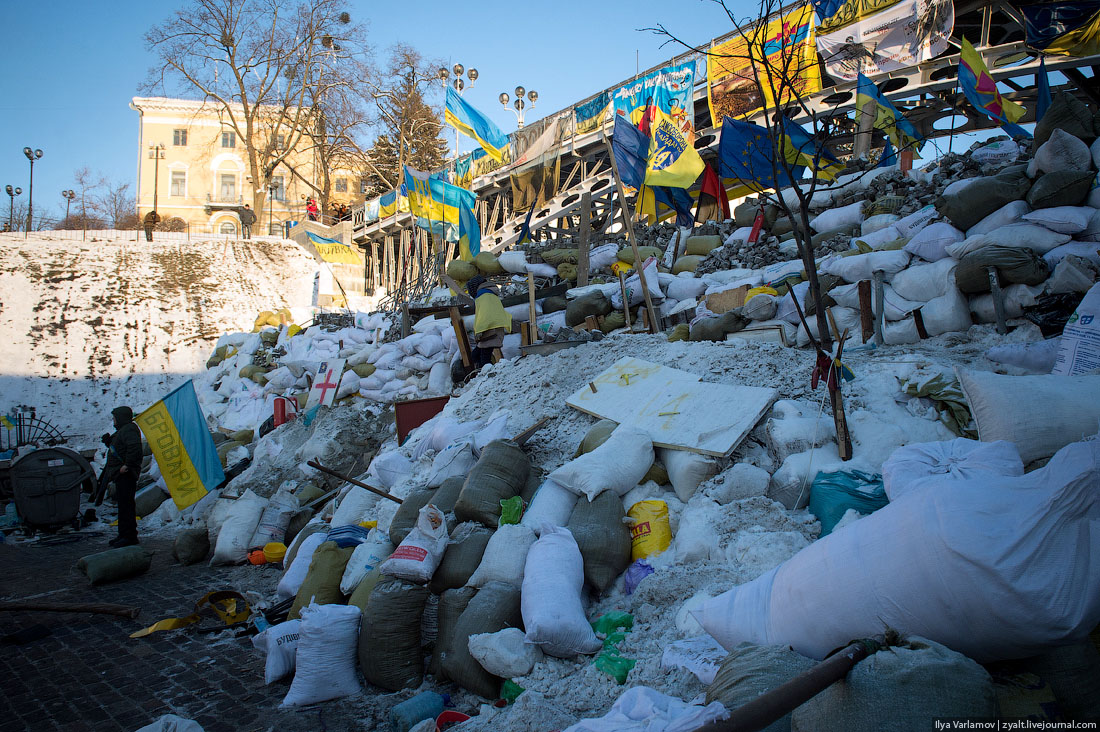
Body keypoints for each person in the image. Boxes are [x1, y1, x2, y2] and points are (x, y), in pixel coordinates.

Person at [104, 406, 143, 547]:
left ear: (121, 417)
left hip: (126, 474)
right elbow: (121, 446)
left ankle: (129, 536)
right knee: (123, 506)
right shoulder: (124, 430)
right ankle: (123, 534)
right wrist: (109, 442)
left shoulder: (129, 429)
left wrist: (127, 465)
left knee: (126, 506)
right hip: (121, 475)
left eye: (115, 418)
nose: (113, 421)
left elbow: (135, 448)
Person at [467, 275, 511, 369]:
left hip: (489, 330)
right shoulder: (489, 294)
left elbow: (484, 315)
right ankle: (484, 374)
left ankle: (489, 377)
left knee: (484, 360)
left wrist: (479, 331)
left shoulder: (483, 296)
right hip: (493, 328)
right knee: (476, 356)